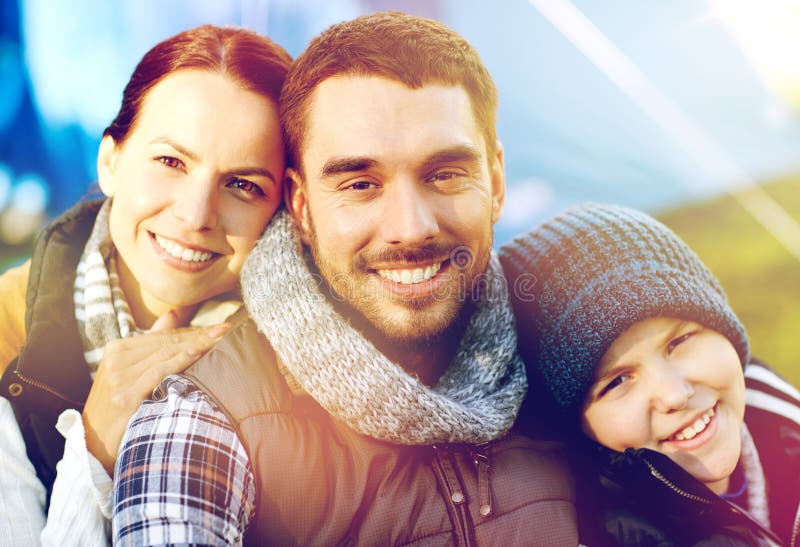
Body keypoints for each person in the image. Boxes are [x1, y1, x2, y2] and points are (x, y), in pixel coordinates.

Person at [112, 11, 578, 546]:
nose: (410, 228)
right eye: (360, 183)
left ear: (495, 183)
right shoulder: (201, 421)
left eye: (445, 175)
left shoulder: (567, 354)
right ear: (301, 206)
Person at [0, 24, 291, 545]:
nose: (196, 214)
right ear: (110, 162)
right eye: (171, 161)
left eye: (243, 185)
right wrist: (95, 446)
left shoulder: (305, 360)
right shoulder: (5, 332)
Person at [500, 202, 800, 546]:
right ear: (575, 429)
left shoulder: (780, 411)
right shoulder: (607, 536)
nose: (674, 394)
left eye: (681, 340)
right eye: (617, 382)